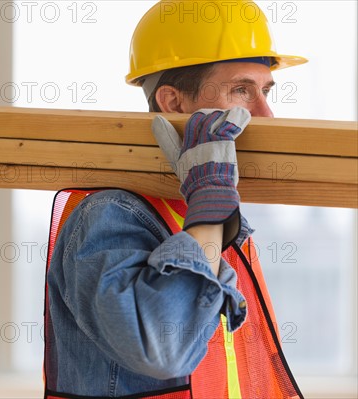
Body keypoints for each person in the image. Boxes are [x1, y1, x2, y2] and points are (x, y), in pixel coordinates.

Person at [43, 1, 308, 398]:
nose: (266, 115)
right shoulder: (109, 214)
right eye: (241, 90)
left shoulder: (200, 211)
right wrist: (208, 207)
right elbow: (164, 350)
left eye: (266, 91)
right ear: (173, 103)